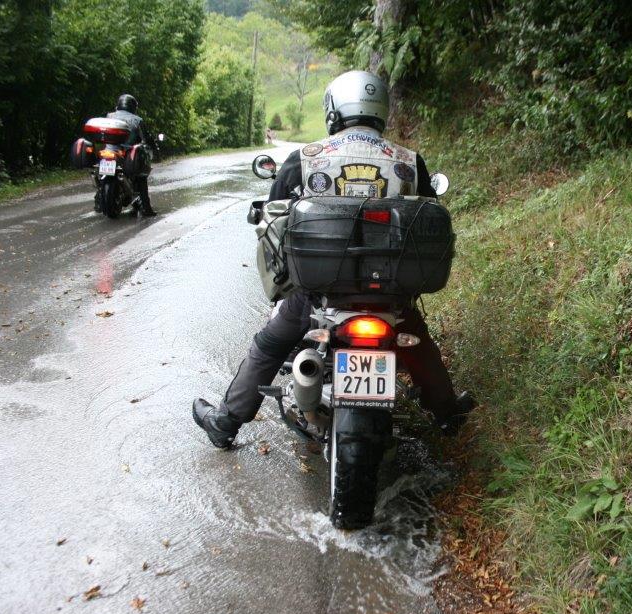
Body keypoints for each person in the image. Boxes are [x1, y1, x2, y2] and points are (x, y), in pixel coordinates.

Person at [192, 70, 474, 449]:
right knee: (418, 343)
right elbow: (426, 220)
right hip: (391, 291)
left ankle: (225, 423)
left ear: (333, 110)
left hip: (319, 291)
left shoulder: (305, 158)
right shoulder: (408, 161)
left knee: (271, 344)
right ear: (381, 109)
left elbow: (274, 217)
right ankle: (447, 415)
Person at [108, 93, 157, 217]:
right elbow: (146, 138)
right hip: (126, 155)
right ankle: (146, 208)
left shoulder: (109, 116)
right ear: (133, 106)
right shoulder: (137, 120)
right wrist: (153, 147)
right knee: (141, 175)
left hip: (109, 151)